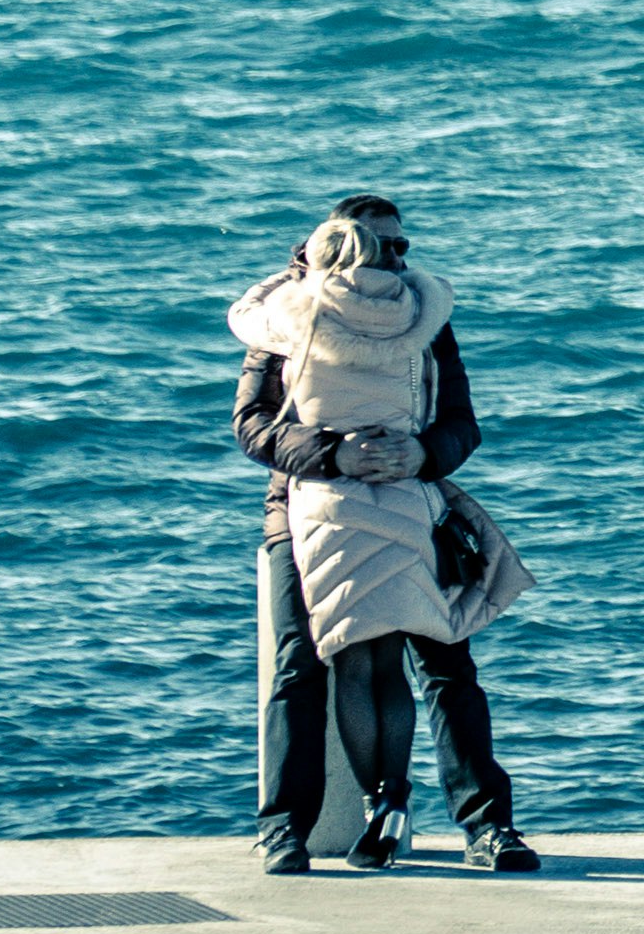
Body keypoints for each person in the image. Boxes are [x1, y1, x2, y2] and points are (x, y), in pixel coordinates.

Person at [232, 195, 541, 876]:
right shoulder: (286, 314)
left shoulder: (424, 318)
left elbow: (462, 423)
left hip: (413, 499)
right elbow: (252, 425)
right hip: (302, 507)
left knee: (447, 657)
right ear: (335, 247)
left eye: (402, 247)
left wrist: (421, 455)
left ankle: (489, 827)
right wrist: (331, 454)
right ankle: (284, 829)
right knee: (299, 660)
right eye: (379, 247)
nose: (393, 260)